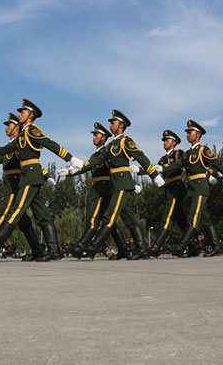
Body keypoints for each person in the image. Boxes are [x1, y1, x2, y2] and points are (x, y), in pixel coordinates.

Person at [0, 99, 83, 258]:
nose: (19, 115)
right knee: (42, 214)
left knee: (15, 211)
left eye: (22, 112)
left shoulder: (31, 130)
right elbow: (6, 149)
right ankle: (54, 250)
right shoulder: (23, 134)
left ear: (30, 116)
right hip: (29, 176)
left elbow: (50, 144)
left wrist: (71, 159)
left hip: (30, 175)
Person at [71, 110, 165, 260]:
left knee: (110, 216)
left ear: (121, 125)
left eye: (113, 122)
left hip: (122, 183)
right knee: (130, 219)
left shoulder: (125, 141)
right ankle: (141, 249)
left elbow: (141, 157)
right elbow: (94, 162)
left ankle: (93, 246)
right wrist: (73, 169)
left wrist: (154, 175)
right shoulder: (111, 145)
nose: (110, 125)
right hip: (115, 185)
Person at [60, 122, 130, 260]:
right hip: (100, 188)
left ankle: (82, 246)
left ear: (103, 138)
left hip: (104, 188)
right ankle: (122, 248)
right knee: (110, 222)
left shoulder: (106, 152)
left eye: (96, 135)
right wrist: (70, 172)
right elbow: (87, 166)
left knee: (93, 219)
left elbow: (117, 168)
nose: (94, 137)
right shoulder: (97, 154)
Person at [170, 120, 223, 258]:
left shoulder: (203, 150)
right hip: (192, 188)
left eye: (190, 132)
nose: (187, 135)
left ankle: (182, 246)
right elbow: (176, 165)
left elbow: (217, 164)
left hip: (200, 187)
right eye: (187, 132)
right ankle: (217, 245)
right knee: (204, 219)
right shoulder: (187, 154)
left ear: (197, 134)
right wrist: (159, 169)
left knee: (193, 216)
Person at [148, 130, 188, 257]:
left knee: (167, 217)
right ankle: (193, 245)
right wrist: (140, 170)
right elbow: (155, 168)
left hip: (176, 189)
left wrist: (164, 168)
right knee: (181, 220)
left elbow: (178, 165)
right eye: (164, 140)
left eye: (167, 140)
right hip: (169, 190)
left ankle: (156, 247)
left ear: (174, 142)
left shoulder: (178, 154)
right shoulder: (163, 158)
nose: (164, 142)